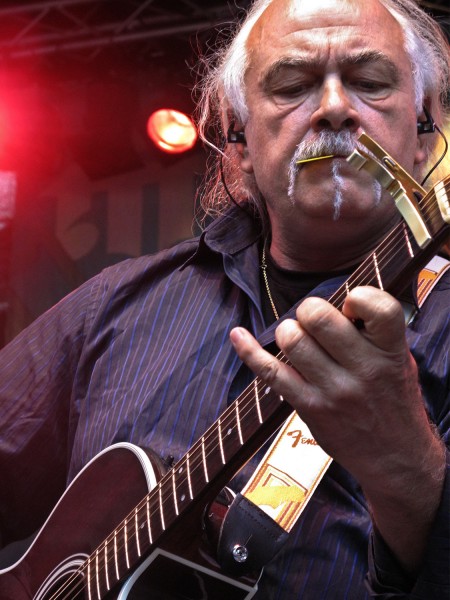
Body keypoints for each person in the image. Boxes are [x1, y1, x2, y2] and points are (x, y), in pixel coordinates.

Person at [0, 0, 449, 597]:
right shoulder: (117, 305)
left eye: (370, 83)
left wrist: (407, 469)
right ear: (237, 145)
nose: (337, 108)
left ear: (423, 137)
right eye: (293, 85)